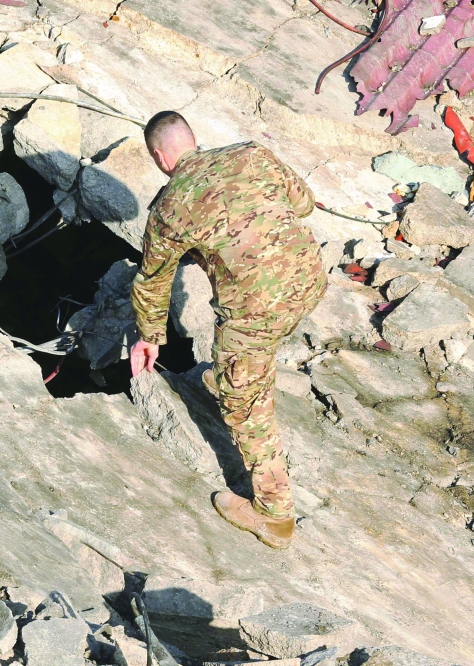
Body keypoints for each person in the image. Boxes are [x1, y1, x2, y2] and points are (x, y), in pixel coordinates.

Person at [128, 110, 327, 549]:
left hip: (257, 311)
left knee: (246, 405)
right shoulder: (251, 154)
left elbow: (154, 280)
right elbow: (304, 203)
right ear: (194, 139)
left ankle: (274, 515)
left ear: (160, 157)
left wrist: (149, 337)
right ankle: (232, 376)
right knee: (248, 354)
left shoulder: (169, 207)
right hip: (309, 280)